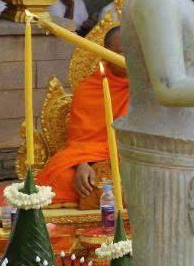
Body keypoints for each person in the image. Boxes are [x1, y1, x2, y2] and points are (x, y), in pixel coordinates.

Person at [37, 27, 130, 205]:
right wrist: (81, 164)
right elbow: (80, 141)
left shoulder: (148, 87)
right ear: (105, 54)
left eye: (132, 52)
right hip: (92, 157)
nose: (126, 59)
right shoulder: (89, 89)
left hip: (130, 156)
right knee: (62, 178)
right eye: (119, 53)